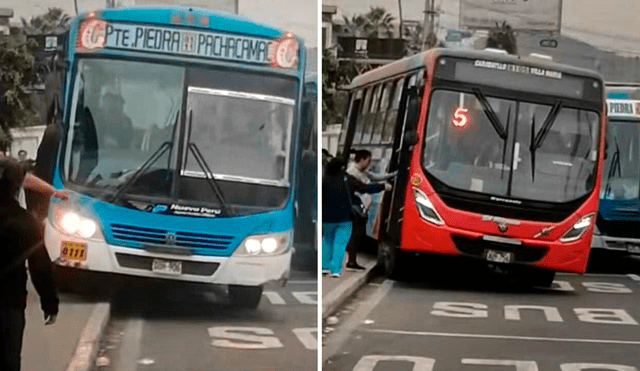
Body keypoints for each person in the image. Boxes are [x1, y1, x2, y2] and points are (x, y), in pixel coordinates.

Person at [0, 158, 59, 371]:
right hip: (10, 304)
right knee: (9, 360)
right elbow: (40, 265)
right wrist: (49, 303)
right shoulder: (25, 221)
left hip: (12, 302)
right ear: (17, 186)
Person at [323, 157, 390, 277]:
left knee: (327, 240)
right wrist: (382, 187)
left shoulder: (324, 180)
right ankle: (336, 270)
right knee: (340, 243)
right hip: (344, 218)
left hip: (327, 218)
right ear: (342, 168)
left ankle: (324, 267)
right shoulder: (347, 179)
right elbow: (365, 188)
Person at [345, 149, 396, 270]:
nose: (369, 163)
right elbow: (364, 188)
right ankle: (350, 261)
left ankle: (351, 260)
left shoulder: (361, 171)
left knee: (356, 235)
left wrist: (391, 175)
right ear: (361, 159)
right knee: (354, 234)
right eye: (368, 160)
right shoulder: (352, 173)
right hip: (355, 206)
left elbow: (375, 177)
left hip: (360, 205)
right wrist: (383, 187)